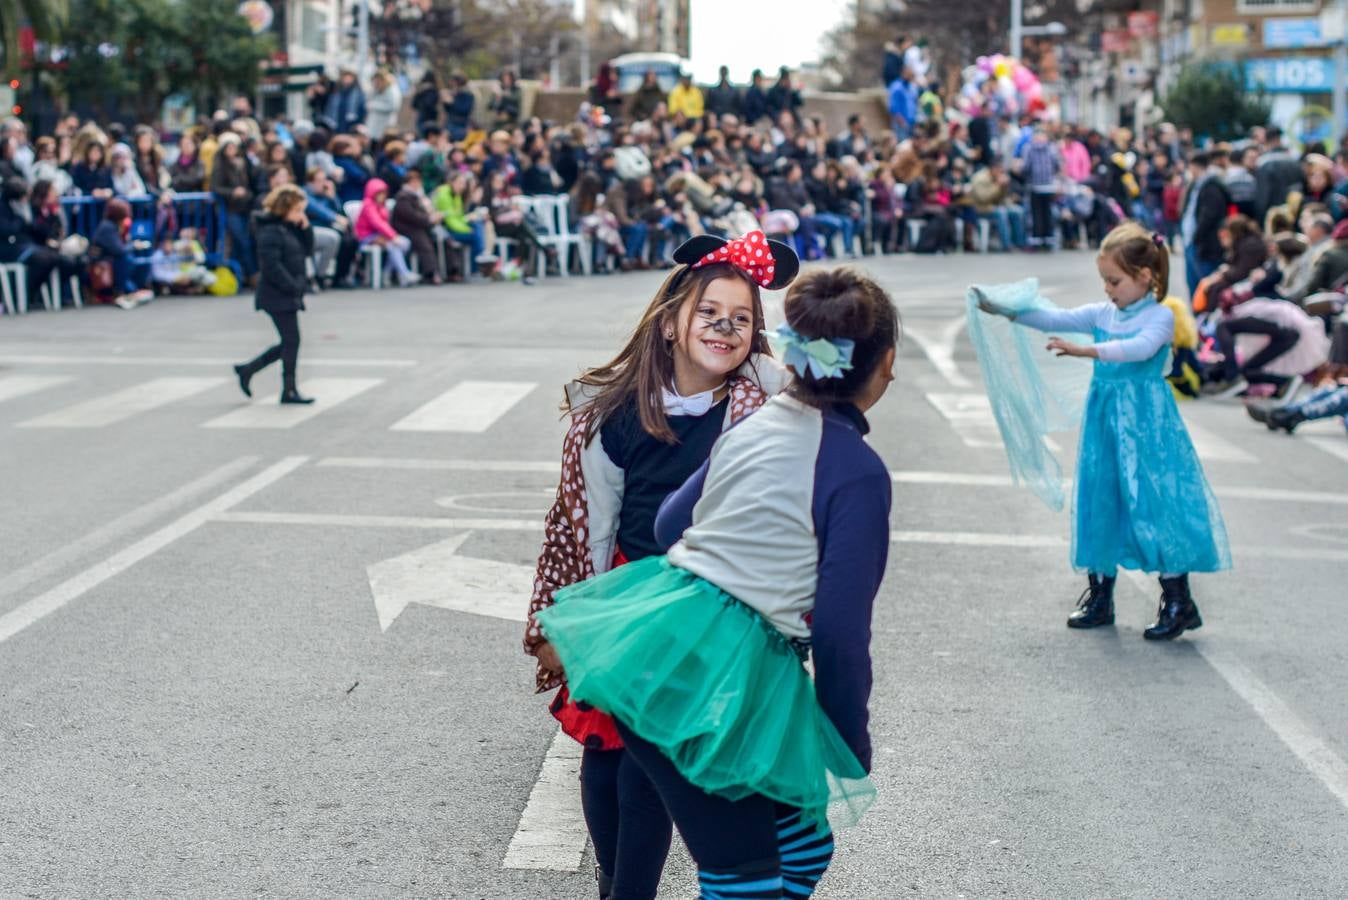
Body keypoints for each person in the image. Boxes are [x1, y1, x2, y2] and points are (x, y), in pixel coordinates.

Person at [534, 261, 895, 899]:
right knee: (743, 877)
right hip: (716, 662)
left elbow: (674, 523)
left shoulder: (757, 422)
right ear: (884, 362)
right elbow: (842, 631)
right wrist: (848, 743)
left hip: (664, 628)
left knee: (802, 844)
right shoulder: (857, 470)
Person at [524, 231, 798, 900]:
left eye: (743, 319)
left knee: (650, 776)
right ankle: (614, 882)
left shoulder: (762, 405)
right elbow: (578, 526)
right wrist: (565, 625)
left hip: (701, 615)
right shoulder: (612, 415)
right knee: (605, 758)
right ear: (673, 322)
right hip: (621, 600)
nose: (726, 328)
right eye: (710, 313)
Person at [975, 222, 1231, 639]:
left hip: (1148, 425)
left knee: (1154, 503)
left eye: (1115, 281)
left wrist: (1087, 349)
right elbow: (1052, 316)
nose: (1108, 289)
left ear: (1145, 277)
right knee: (1101, 497)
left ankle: (1178, 599)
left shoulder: (1161, 316)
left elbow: (1139, 349)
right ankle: (1100, 596)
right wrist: (1004, 308)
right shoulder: (1102, 313)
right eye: (1105, 281)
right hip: (1106, 422)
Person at [233, 184, 316, 404]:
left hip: (287, 293)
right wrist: (293, 286)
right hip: (276, 294)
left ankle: (248, 370)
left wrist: (306, 228)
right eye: (298, 210)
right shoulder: (269, 231)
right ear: (284, 208)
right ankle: (288, 389)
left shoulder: (290, 227)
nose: (301, 215)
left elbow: (307, 250)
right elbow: (271, 266)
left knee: (289, 342)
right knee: (291, 341)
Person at [354, 177, 420, 287]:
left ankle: (387, 272)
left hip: (380, 235)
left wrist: (392, 236)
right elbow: (377, 223)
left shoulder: (381, 206)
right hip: (366, 236)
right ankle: (403, 273)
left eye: (384, 193)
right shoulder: (368, 205)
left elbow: (385, 224)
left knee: (405, 243)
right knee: (393, 244)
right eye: (379, 193)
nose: (382, 196)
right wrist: (393, 236)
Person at [1180, 150, 1229, 299]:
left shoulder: (1211, 186)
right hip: (1192, 241)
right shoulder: (1196, 184)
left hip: (1204, 244)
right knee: (1194, 285)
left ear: (1195, 166)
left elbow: (1209, 216)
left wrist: (1196, 237)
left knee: (1204, 287)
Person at [211, 133, 257, 282]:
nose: (231, 150)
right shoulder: (220, 165)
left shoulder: (244, 163)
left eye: (234, 147)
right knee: (241, 240)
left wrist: (247, 194)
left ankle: (244, 274)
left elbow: (252, 184)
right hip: (229, 209)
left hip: (245, 207)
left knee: (247, 240)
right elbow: (216, 187)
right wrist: (233, 192)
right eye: (228, 147)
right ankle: (252, 273)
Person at [304, 167, 359, 288]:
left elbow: (340, 211)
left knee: (351, 241)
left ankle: (339, 276)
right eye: (319, 180)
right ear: (310, 182)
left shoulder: (326, 195)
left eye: (324, 180)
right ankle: (320, 275)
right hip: (313, 228)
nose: (323, 184)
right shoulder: (305, 194)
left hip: (329, 228)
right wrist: (335, 217)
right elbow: (318, 210)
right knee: (335, 239)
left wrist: (333, 197)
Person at [391, 169, 445, 283]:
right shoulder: (403, 197)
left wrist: (429, 210)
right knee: (424, 243)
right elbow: (411, 216)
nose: (417, 185)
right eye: (414, 182)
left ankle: (448, 270)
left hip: (418, 226)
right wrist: (429, 219)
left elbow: (423, 213)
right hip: (406, 228)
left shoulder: (417, 196)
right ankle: (431, 273)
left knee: (439, 238)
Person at [324, 68, 367, 134]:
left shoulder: (358, 93)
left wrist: (358, 123)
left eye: (349, 78)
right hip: (338, 123)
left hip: (352, 124)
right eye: (345, 78)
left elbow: (362, 109)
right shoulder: (336, 92)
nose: (347, 80)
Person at [366, 69, 403, 140]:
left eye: (378, 82)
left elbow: (393, 107)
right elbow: (369, 100)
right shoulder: (376, 90)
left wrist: (373, 105)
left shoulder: (392, 90)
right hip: (374, 124)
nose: (376, 84)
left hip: (386, 124)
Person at [443, 73, 476, 141]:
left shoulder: (467, 95)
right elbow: (449, 111)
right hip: (451, 122)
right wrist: (446, 103)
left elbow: (465, 110)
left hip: (462, 124)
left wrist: (453, 102)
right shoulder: (453, 93)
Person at [411, 70, 442, 135]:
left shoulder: (424, 90)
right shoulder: (433, 90)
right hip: (429, 117)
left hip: (424, 116)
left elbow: (414, 104)